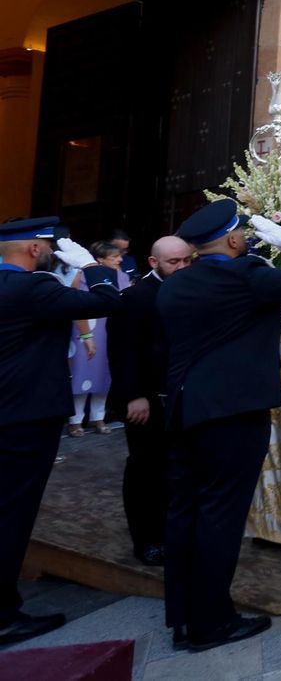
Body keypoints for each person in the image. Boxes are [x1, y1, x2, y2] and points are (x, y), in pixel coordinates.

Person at [159, 200, 281, 652]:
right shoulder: (245, 275)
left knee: (185, 513)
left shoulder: (175, 285)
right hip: (232, 414)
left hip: (184, 410)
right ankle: (211, 623)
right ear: (235, 239)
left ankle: (181, 616)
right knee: (220, 516)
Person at [0, 219, 122, 645]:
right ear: (35, 249)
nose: (55, 252)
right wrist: (92, 267)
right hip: (25, 417)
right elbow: (108, 301)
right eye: (52, 246)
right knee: (12, 513)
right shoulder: (33, 288)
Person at [106, 235, 192, 565]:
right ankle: (147, 540)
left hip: (183, 397)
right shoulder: (135, 297)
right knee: (146, 471)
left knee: (179, 469)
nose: (182, 267)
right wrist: (134, 396)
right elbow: (123, 352)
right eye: (174, 262)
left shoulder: (191, 289)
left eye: (187, 260)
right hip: (146, 401)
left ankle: (175, 533)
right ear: (154, 263)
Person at [65, 240, 130, 436]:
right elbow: (74, 303)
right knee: (82, 373)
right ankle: (75, 420)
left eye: (120, 256)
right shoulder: (82, 276)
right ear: (99, 260)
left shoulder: (123, 277)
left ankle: (97, 418)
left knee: (105, 374)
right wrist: (86, 334)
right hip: (86, 330)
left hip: (111, 330)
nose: (119, 259)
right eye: (114, 257)